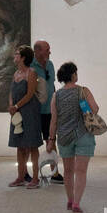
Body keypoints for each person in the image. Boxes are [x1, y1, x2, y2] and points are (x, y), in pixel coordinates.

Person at [46, 61, 98, 213]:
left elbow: (54, 120)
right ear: (73, 74)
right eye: (76, 72)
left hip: (64, 137)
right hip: (83, 135)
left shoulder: (56, 95)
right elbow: (94, 109)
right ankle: (76, 203)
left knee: (68, 171)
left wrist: (51, 140)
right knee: (80, 171)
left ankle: (69, 200)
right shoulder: (83, 91)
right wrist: (84, 107)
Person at [6, 45, 42, 188]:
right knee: (20, 145)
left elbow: (30, 94)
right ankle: (20, 177)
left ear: (23, 58)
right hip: (17, 112)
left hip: (29, 112)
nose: (14, 56)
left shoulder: (31, 73)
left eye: (17, 54)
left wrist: (16, 106)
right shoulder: (16, 74)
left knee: (32, 145)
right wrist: (11, 105)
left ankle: (35, 178)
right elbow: (11, 92)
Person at [30, 41, 63, 184]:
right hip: (34, 112)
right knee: (31, 144)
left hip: (50, 111)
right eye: (47, 49)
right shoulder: (30, 66)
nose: (50, 52)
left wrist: (56, 105)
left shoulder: (50, 65)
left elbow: (52, 86)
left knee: (51, 140)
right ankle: (32, 176)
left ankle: (55, 173)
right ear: (37, 51)